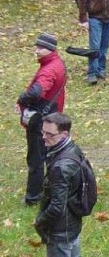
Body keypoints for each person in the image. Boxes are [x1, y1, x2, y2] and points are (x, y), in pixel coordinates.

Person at [33, 112, 93, 257]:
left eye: (50, 134)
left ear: (64, 133)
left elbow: (56, 207)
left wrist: (40, 221)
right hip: (73, 224)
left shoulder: (60, 166)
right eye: (43, 133)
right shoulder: (72, 149)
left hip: (60, 229)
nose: (44, 138)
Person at [18, 33, 67, 206]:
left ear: (51, 49)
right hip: (52, 115)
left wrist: (22, 99)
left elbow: (38, 91)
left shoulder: (49, 69)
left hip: (41, 120)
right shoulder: (57, 63)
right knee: (49, 154)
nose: (36, 50)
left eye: (41, 48)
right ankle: (52, 189)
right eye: (36, 46)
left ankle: (33, 197)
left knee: (36, 159)